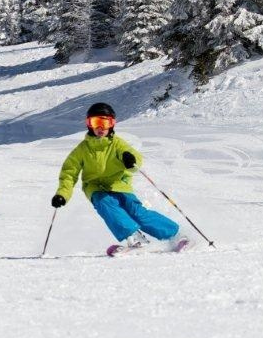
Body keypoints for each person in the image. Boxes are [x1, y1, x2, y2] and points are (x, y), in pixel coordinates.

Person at [50, 102, 184, 255]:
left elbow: (136, 159)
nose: (100, 128)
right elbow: (69, 173)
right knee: (105, 204)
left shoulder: (117, 144)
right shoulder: (82, 150)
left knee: (137, 213)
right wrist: (62, 194)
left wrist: (129, 159)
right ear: (89, 124)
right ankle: (134, 238)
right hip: (95, 187)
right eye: (96, 122)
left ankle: (175, 236)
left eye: (105, 123)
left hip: (119, 184)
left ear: (112, 124)